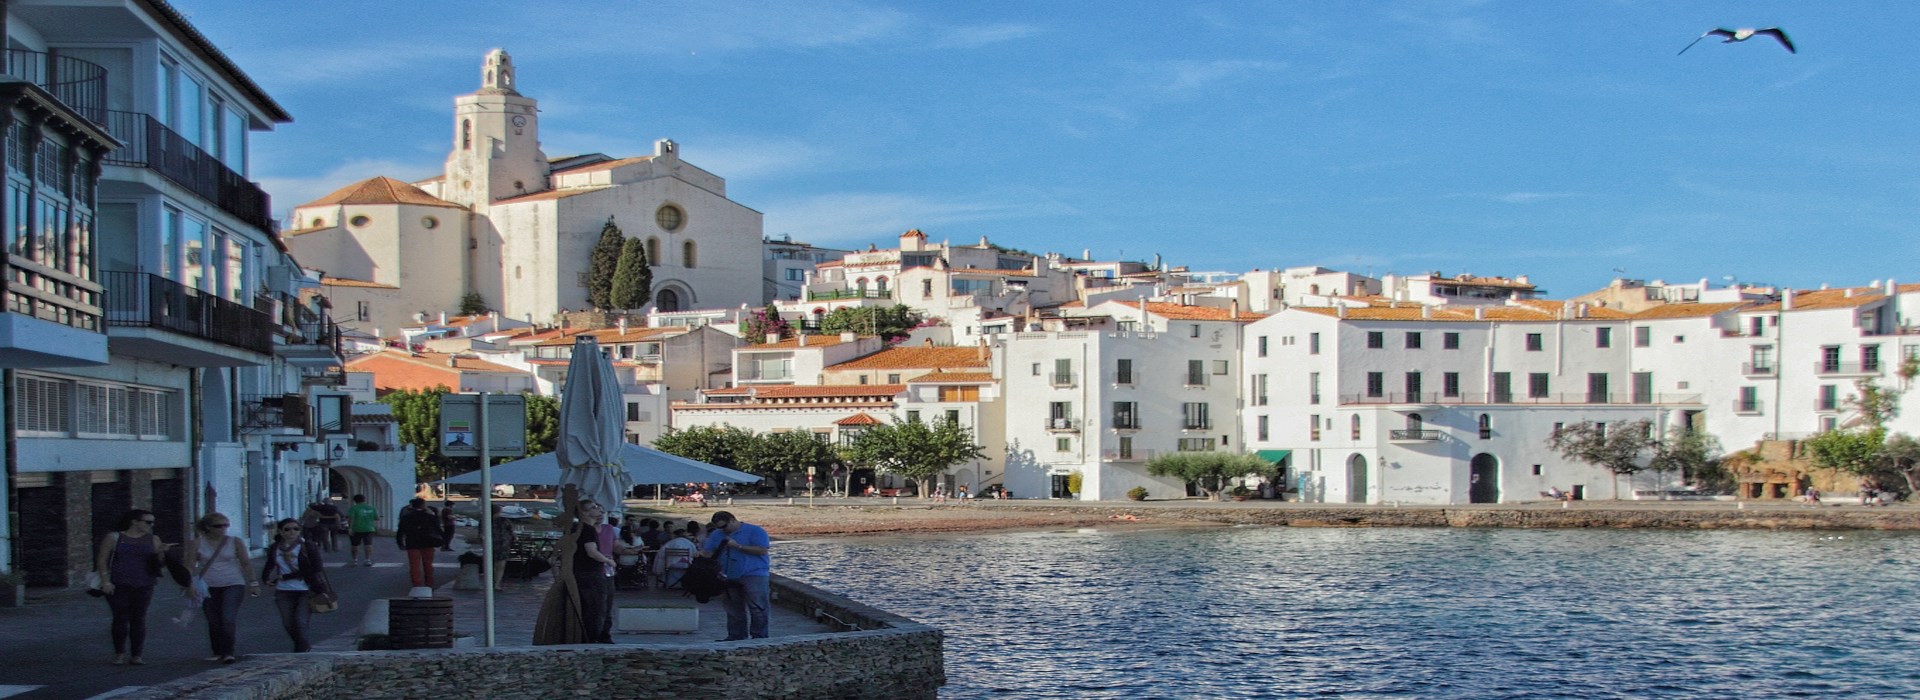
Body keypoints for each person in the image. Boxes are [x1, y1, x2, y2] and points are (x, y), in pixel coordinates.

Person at [97, 509, 176, 665]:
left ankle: (137, 654)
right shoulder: (115, 537)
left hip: (144, 583)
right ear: (134, 521)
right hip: (119, 582)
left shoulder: (153, 539)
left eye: (152, 522)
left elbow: (158, 564)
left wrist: (161, 552)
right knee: (120, 617)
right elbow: (102, 560)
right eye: (147, 522)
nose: (150, 525)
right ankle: (119, 653)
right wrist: (105, 581)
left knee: (138, 618)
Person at [186, 513, 256, 664]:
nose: (223, 529)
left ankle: (228, 652)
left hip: (233, 583)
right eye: (218, 526)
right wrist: (189, 584)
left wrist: (253, 582)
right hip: (208, 585)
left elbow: (245, 563)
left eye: (226, 525)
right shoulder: (197, 543)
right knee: (213, 619)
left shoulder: (235, 542)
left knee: (228, 617)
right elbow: (190, 565)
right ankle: (217, 651)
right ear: (207, 527)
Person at [700, 511, 771, 641]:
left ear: (733, 520)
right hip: (728, 575)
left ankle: (759, 637)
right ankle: (736, 636)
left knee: (757, 607)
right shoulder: (717, 534)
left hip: (754, 573)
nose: (723, 530)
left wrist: (737, 546)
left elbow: (762, 550)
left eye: (724, 526)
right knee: (733, 608)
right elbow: (708, 552)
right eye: (719, 528)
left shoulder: (755, 531)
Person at [262, 518, 329, 652]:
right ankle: (302, 645)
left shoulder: (307, 546)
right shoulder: (275, 547)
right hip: (283, 590)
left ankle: (301, 650)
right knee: (287, 622)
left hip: (306, 589)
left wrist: (287, 576)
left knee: (300, 621)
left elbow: (316, 568)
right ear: (280, 531)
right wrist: (265, 577)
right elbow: (270, 564)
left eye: (296, 529)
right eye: (287, 529)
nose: (292, 532)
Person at [569, 500, 618, 643]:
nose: (598, 510)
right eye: (594, 508)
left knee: (590, 607)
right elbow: (591, 551)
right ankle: (591, 637)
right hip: (591, 572)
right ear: (585, 512)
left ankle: (592, 636)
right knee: (596, 608)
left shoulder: (576, 528)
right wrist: (608, 561)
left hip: (580, 571)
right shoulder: (587, 529)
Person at [396, 498, 443, 588]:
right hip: (428, 542)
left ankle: (416, 584)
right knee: (428, 564)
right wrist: (443, 541)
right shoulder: (430, 517)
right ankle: (429, 583)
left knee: (414, 565)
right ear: (423, 505)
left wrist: (400, 543)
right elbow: (438, 530)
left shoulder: (406, 517)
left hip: (412, 542)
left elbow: (400, 531)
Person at [346, 494, 379, 566]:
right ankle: (367, 560)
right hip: (369, 528)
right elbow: (377, 518)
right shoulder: (372, 508)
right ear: (364, 499)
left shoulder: (354, 508)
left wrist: (350, 528)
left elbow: (351, 518)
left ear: (355, 501)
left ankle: (355, 560)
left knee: (354, 545)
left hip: (356, 529)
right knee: (368, 544)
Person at [489, 503, 515, 591]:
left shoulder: (485, 520)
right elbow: (511, 532)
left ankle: (491, 582)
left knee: (491, 565)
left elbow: (480, 534)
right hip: (503, 545)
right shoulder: (504, 521)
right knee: (500, 565)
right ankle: (496, 584)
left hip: (490, 545)